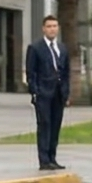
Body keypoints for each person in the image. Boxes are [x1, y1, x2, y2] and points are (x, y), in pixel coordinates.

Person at [25, 15, 70, 171]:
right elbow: (31, 72)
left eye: (55, 26)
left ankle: (52, 157)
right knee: (45, 125)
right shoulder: (35, 47)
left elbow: (66, 72)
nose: (52, 29)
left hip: (59, 93)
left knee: (56, 126)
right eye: (49, 26)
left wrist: (66, 92)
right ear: (44, 29)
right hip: (43, 93)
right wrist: (35, 91)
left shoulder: (62, 48)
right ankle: (44, 160)